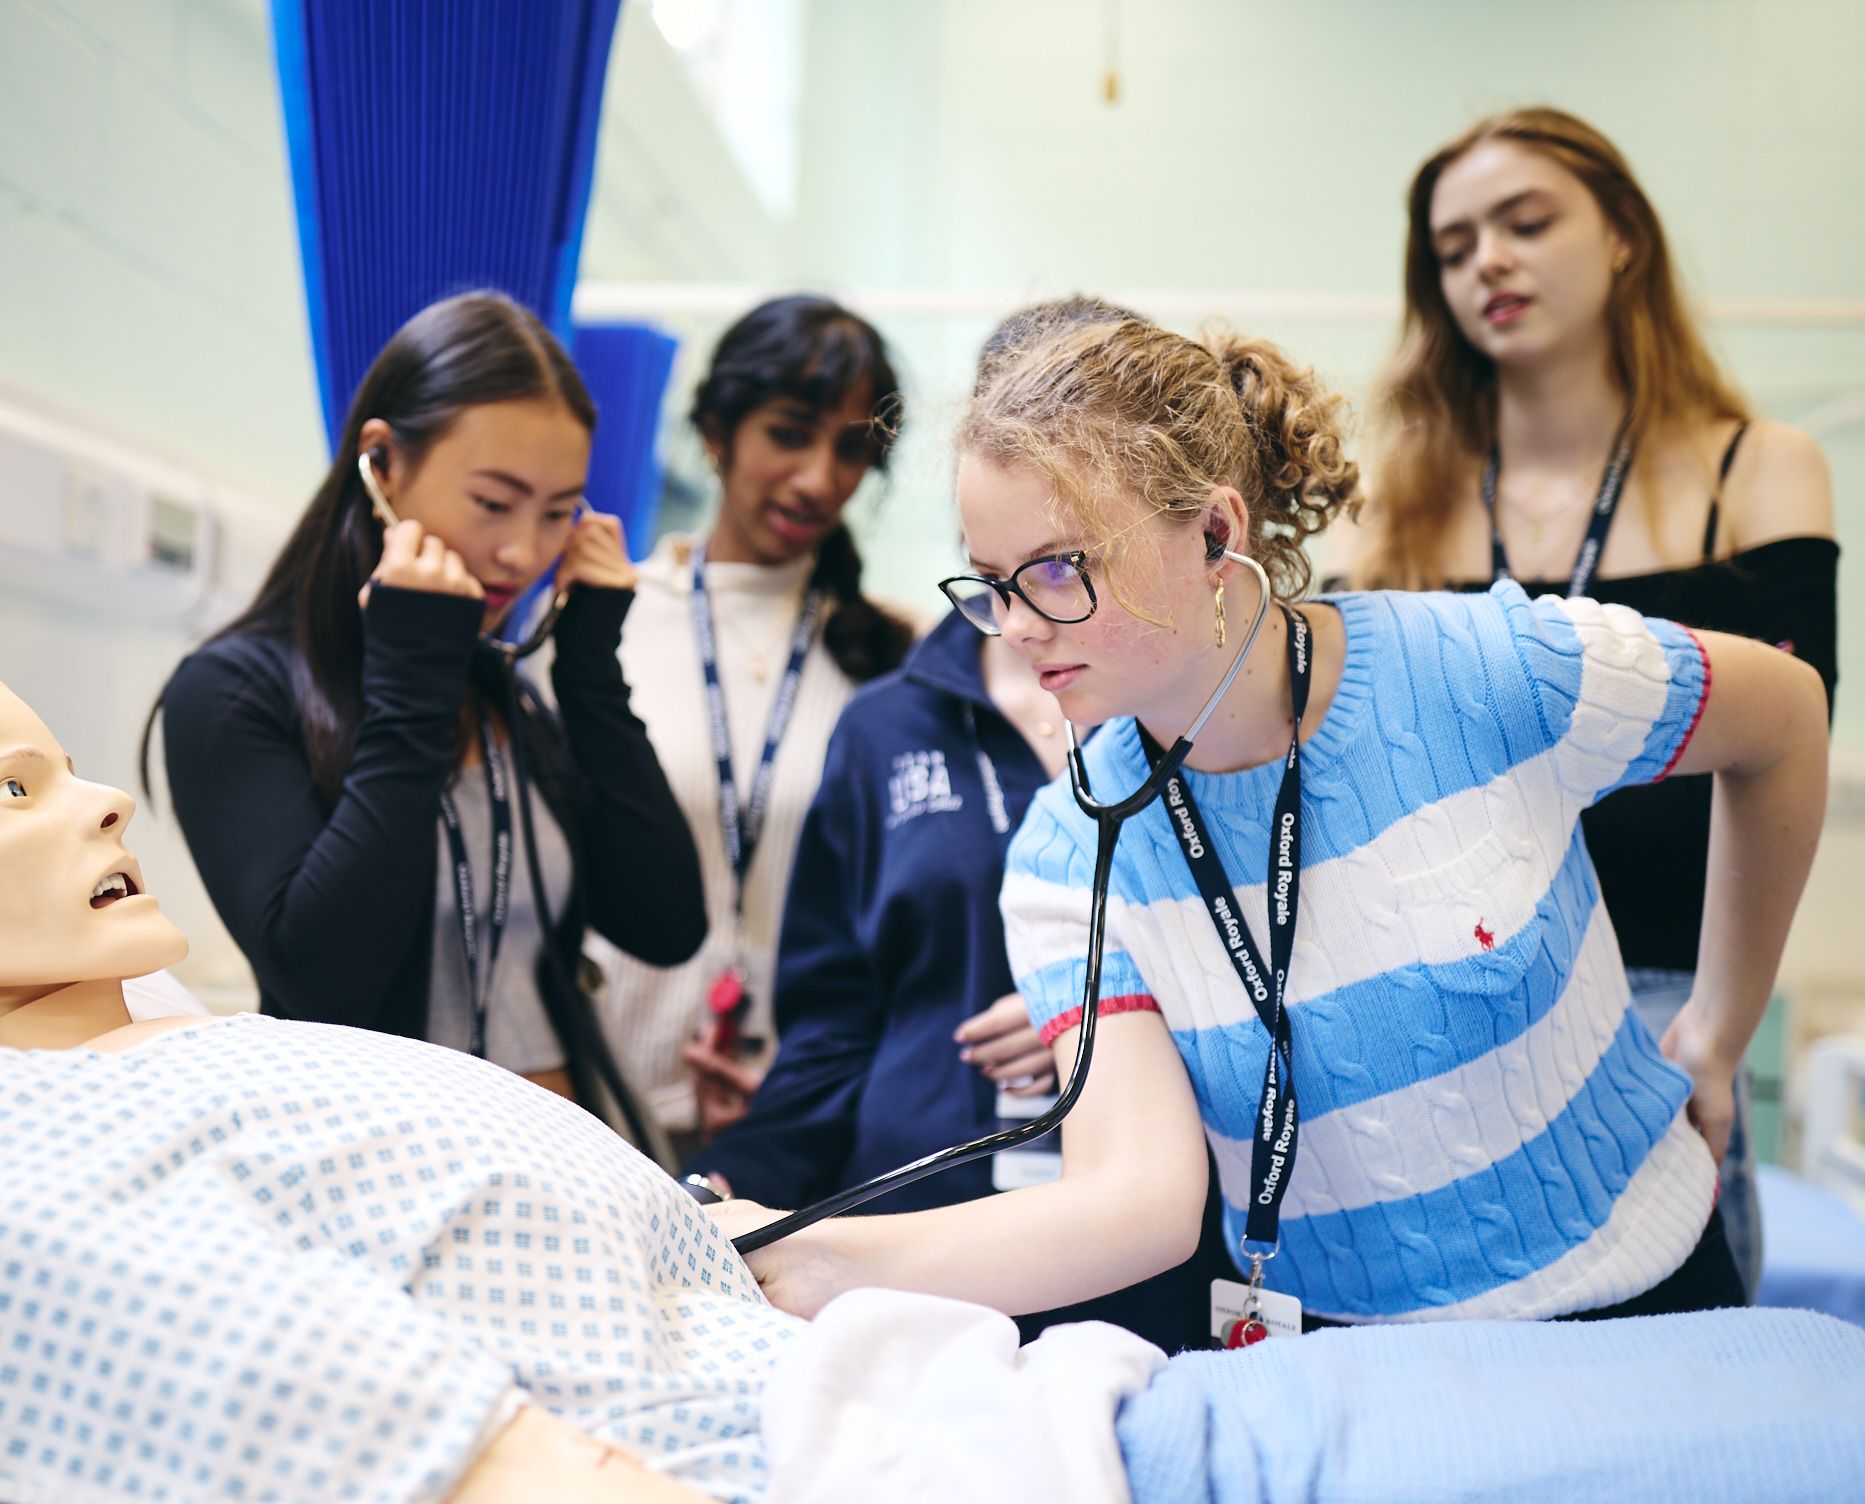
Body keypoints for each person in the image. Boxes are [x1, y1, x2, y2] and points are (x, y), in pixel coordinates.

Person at [0, 666, 1865, 1504]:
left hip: (1078, 1448)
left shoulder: (186, 1073)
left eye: (56, 762)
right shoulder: (34, 1198)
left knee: (1843, 1412)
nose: (89, 801)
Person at [714, 314, 1833, 1335]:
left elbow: (1785, 718)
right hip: (1347, 1354)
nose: (1014, 627)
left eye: (1057, 570)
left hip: (1638, 1301)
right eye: (991, 583)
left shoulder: (1488, 671)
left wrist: (1717, 1029)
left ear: (1215, 530)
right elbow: (1137, 1200)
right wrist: (817, 1256)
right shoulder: (1070, 853)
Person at [1329, 108, 1843, 1298]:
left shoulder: (1756, 472)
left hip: (1662, 1020)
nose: (1487, 263)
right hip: (1448, 1026)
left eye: (1524, 223)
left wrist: (1717, 1033)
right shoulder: (1393, 506)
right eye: (1453, 247)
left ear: (1621, 237)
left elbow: (1788, 753)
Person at [686, 296, 1241, 1352]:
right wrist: (723, 1188)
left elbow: (1273, 964)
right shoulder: (886, 723)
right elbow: (832, 1029)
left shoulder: (1191, 709)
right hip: (912, 1234)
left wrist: (1101, 1013)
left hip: (1153, 1246)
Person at [152, 292, 704, 1155]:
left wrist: (591, 676)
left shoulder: (505, 688)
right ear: (383, 462)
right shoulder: (232, 690)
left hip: (578, 1162)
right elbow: (323, 981)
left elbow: (664, 924)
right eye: (493, 502)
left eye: (556, 512)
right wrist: (409, 690)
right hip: (389, 1175)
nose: (523, 553)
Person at [585, 296, 915, 1158]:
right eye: (790, 434)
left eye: (852, 449)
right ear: (717, 432)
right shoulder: (604, 622)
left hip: (802, 1116)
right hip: (597, 1102)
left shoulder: (893, 657)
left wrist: (800, 1091)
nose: (819, 479)